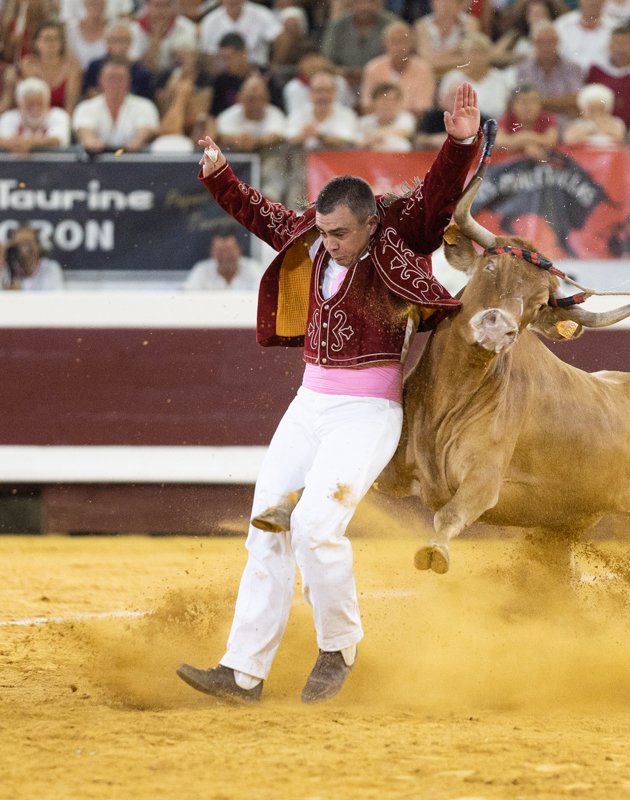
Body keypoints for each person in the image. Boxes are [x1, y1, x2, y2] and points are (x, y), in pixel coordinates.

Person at [176, 81, 482, 706]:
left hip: (369, 412)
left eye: (341, 234)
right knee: (265, 528)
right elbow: (262, 217)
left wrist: (459, 142)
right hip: (310, 405)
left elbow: (436, 198)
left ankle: (338, 646)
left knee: (316, 524)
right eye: (324, 231)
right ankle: (243, 673)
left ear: (371, 223)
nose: (329, 243)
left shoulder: (399, 238)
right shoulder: (316, 237)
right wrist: (221, 177)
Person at [73, 58, 160, 152]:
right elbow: (85, 131)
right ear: (100, 80)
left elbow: (144, 131)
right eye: (111, 78)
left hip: (134, 162)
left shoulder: (145, 106)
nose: (115, 83)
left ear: (129, 81)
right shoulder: (85, 107)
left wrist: (136, 141)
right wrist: (90, 141)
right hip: (95, 164)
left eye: (120, 78)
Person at [586, 25, 630, 127]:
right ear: (609, 45)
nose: (621, 49)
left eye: (625, 44)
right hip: (602, 130)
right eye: (617, 44)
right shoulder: (596, 71)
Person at [361, 21, 435, 115]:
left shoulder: (423, 69)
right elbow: (367, 106)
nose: (399, 47)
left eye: (404, 41)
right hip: (379, 120)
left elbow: (422, 109)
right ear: (385, 44)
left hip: (409, 122)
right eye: (394, 42)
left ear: (412, 44)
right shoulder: (373, 67)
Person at [438, 32, 516, 120]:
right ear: (464, 55)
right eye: (473, 52)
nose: (477, 57)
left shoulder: (501, 78)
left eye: (482, 52)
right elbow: (443, 108)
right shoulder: (452, 77)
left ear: (489, 55)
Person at [515, 22, 584, 119]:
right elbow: (521, 103)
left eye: (550, 42)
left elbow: (576, 100)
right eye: (541, 42)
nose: (546, 47)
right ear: (534, 44)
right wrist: (561, 104)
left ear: (558, 43)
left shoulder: (572, 68)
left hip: (566, 126)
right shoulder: (523, 69)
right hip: (535, 126)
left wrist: (537, 102)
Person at [321, 0, 398, 86]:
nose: (364, 7)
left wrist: (369, 72)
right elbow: (326, 59)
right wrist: (342, 72)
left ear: (379, 4)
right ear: (350, 4)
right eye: (358, 2)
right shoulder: (338, 25)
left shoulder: (391, 23)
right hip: (345, 81)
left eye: (369, 2)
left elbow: (398, 57)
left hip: (380, 79)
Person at [0, 76, 71, 151]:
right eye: (30, 105)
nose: (35, 109)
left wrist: (29, 143)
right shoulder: (7, 117)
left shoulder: (60, 116)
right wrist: (33, 142)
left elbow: (57, 139)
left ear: (47, 103)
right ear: (20, 105)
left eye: (40, 104)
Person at [199, 0, 282, 70]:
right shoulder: (210, 21)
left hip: (256, 69)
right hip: (223, 73)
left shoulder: (262, 14)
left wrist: (274, 67)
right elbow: (208, 54)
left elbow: (280, 37)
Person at [286, 70, 358, 148]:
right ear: (310, 93)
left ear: (334, 93)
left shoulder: (346, 114)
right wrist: (303, 136)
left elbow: (347, 141)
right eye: (318, 91)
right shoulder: (299, 113)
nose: (323, 96)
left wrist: (319, 136)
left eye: (327, 91)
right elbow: (287, 139)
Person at [82, 23, 155, 100]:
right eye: (115, 40)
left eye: (124, 40)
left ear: (130, 43)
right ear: (107, 43)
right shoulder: (95, 67)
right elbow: (92, 94)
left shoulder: (141, 72)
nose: (119, 45)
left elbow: (143, 101)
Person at [20, 21, 81, 113]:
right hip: (35, 116)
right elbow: (29, 101)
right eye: (47, 39)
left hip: (62, 117)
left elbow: (70, 104)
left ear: (61, 42)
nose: (51, 43)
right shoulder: (28, 64)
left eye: (55, 39)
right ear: (37, 42)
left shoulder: (72, 65)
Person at [0, 226, 65, 291]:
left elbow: (57, 301)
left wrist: (17, 296)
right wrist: (1, 258)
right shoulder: (7, 268)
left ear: (38, 246)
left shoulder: (49, 268)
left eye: (28, 243)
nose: (24, 249)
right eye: (20, 244)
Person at [131, 0, 198, 76]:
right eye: (157, 5)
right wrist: (156, 38)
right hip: (146, 78)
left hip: (174, 77)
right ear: (147, 6)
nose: (162, 10)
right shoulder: (135, 30)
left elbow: (189, 65)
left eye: (167, 5)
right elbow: (142, 68)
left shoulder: (186, 27)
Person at [414, 0, 479, 76]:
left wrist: (438, 58)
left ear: (458, 3)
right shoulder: (422, 25)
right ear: (433, 2)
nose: (446, 4)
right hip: (430, 76)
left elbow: (471, 58)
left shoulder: (469, 23)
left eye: (451, 1)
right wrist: (456, 49)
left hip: (459, 75)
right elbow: (427, 60)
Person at [554, 0, 618, 73]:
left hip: (603, 79)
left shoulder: (616, 28)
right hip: (567, 78)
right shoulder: (561, 25)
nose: (592, 2)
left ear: (604, 2)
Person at [496, 83, 558, 157]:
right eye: (523, 102)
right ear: (514, 105)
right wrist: (527, 144)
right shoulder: (507, 118)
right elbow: (498, 140)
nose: (528, 107)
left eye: (532, 102)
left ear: (540, 104)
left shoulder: (547, 118)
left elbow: (551, 140)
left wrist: (524, 139)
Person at [181, 234, 260, 290]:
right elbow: (186, 296)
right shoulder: (201, 270)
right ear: (212, 252)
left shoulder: (253, 269)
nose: (225, 256)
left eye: (229, 250)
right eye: (220, 251)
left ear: (239, 250)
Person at [209, 32, 257, 118]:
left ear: (243, 53)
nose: (225, 64)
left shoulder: (264, 78)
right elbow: (215, 114)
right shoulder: (220, 82)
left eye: (228, 58)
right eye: (222, 59)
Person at [359, 81, 416, 150]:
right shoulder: (364, 121)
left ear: (399, 102)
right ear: (374, 101)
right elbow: (358, 142)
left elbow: (404, 131)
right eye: (384, 100)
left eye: (391, 100)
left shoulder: (406, 117)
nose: (388, 104)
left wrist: (374, 135)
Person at [65, 0, 109, 68]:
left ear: (105, 6)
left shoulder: (111, 30)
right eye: (92, 3)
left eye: (99, 4)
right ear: (84, 5)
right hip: (78, 73)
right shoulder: (71, 31)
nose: (95, 7)